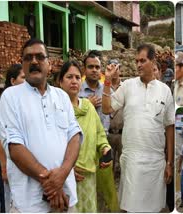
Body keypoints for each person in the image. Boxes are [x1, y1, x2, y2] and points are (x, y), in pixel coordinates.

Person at [0, 38, 83, 212]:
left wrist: (62, 175)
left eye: (40, 57)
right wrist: (52, 184)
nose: (34, 61)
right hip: (30, 203)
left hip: (66, 198)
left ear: (49, 64)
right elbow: (15, 147)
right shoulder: (11, 97)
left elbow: (74, 136)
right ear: (22, 64)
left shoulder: (61, 96)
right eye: (28, 58)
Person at [102, 44, 175, 212]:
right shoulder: (128, 86)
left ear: (153, 61)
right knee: (131, 208)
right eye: (137, 61)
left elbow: (169, 127)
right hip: (132, 161)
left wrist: (169, 163)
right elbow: (107, 108)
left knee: (153, 208)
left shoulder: (164, 91)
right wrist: (107, 80)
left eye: (143, 60)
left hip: (155, 163)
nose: (139, 65)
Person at [58, 60, 117, 212]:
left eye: (77, 77)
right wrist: (67, 168)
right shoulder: (56, 110)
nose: (74, 81)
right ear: (60, 82)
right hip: (66, 176)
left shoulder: (88, 107)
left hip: (89, 173)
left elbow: (99, 134)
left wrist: (104, 148)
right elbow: (51, 144)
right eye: (69, 77)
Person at [0, 64, 25, 212]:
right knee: (6, 198)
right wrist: (4, 168)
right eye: (23, 78)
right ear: (12, 81)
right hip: (6, 160)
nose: (26, 81)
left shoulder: (21, 104)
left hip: (21, 160)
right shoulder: (0, 106)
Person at [79, 50, 110, 132]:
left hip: (104, 139)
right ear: (84, 69)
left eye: (97, 67)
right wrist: (87, 105)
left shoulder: (107, 90)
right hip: (84, 138)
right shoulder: (77, 90)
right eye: (90, 67)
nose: (94, 70)